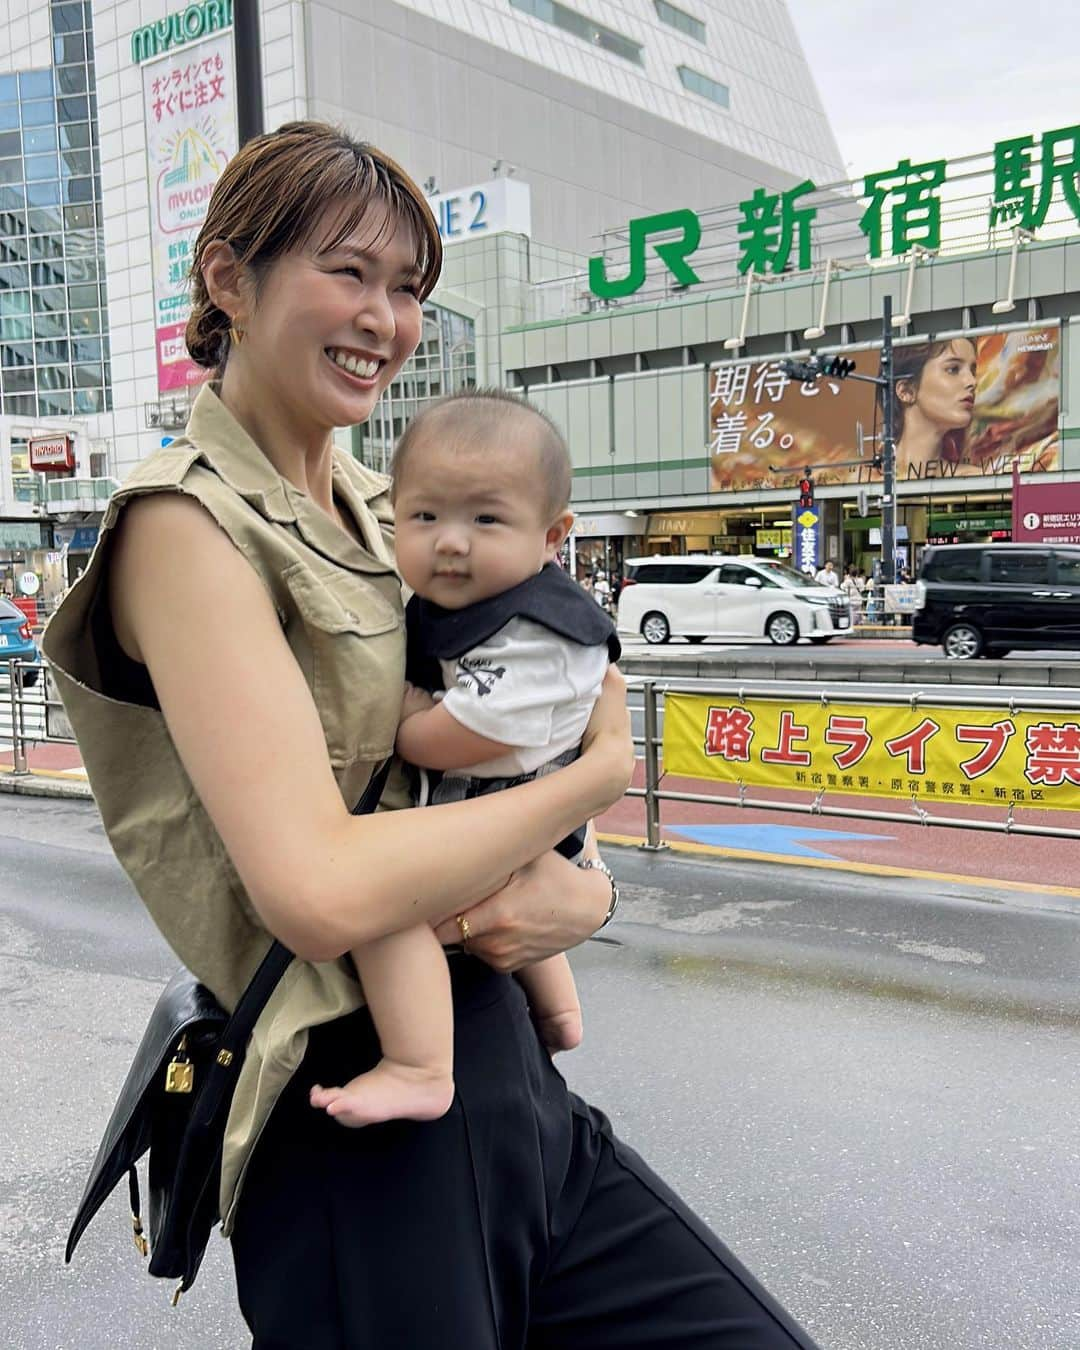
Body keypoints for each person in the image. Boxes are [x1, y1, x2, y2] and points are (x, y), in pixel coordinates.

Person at [44, 123, 819, 1348]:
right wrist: (601, 786)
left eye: (407, 287)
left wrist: (586, 899)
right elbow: (315, 891)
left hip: (505, 1070)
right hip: (358, 1118)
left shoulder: (381, 500)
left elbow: (537, 707)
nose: (385, 317)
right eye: (347, 272)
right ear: (229, 281)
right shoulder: (185, 529)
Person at [310, 389, 616, 1126]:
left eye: (485, 518)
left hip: (499, 814)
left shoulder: (540, 631)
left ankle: (419, 1065)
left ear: (553, 536)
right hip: (529, 822)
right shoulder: (484, 605)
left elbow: (477, 730)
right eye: (424, 517)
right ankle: (562, 1013)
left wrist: (412, 722)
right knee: (524, 898)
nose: (451, 541)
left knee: (385, 913)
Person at [889, 338, 977, 478]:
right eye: (953, 369)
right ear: (906, 391)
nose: (972, 381)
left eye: (973, 370)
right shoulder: (859, 478)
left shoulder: (976, 480)